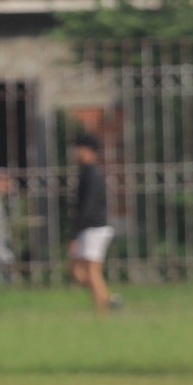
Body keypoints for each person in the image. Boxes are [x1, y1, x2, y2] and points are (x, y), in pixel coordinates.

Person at [66, 132, 121, 314]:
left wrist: (74, 234)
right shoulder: (86, 172)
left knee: (91, 270)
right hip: (89, 228)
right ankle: (108, 300)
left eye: (78, 148)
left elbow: (87, 207)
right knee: (75, 270)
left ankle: (102, 310)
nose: (75, 152)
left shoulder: (92, 174)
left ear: (87, 150)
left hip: (93, 228)